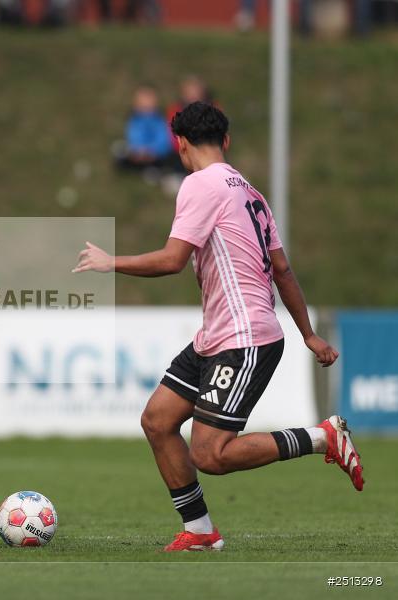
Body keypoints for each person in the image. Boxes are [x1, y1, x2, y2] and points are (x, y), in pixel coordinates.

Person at [73, 102, 363, 552]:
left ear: (180, 144)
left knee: (211, 453)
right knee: (158, 421)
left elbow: (172, 260)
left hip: (243, 338)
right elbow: (282, 270)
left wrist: (111, 262)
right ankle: (201, 531)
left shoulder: (199, 184)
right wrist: (307, 333)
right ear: (225, 141)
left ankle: (322, 437)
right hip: (219, 335)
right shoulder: (250, 192)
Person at [113, 85, 174, 180]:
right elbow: (133, 137)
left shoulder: (159, 120)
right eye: (142, 105)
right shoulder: (134, 120)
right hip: (138, 155)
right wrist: (138, 150)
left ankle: (154, 171)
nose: (146, 108)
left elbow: (163, 139)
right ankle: (143, 170)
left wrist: (152, 151)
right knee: (122, 157)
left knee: (170, 159)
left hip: (156, 155)